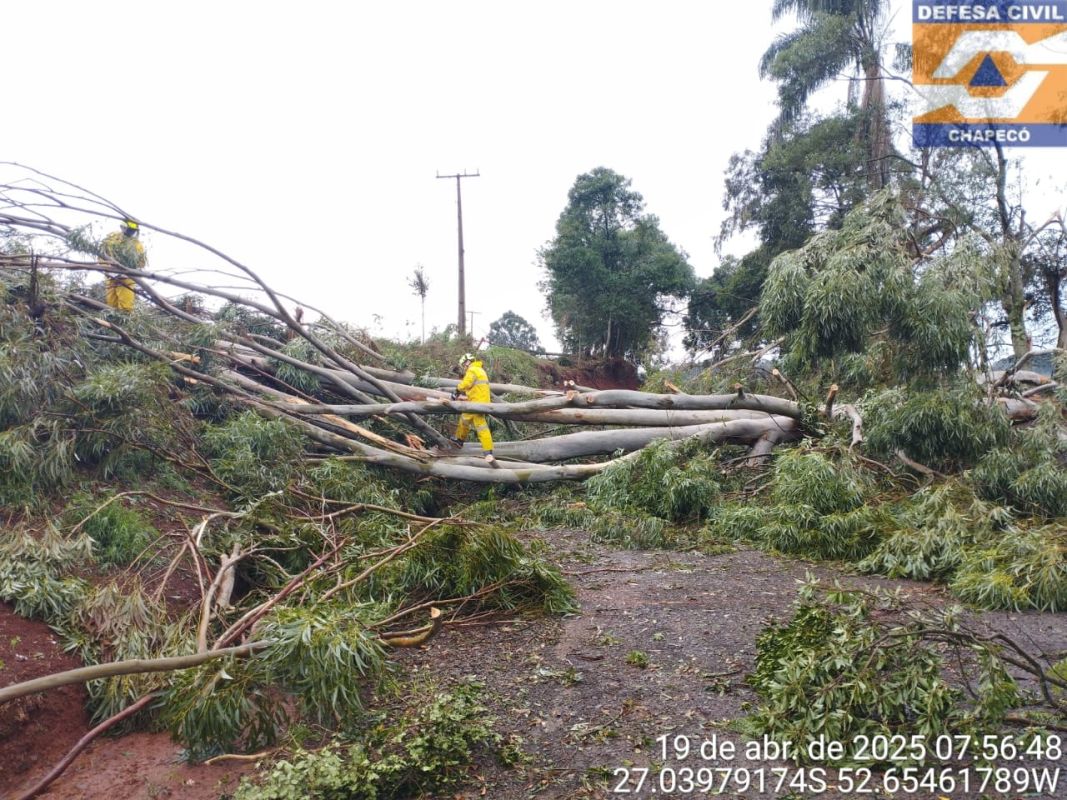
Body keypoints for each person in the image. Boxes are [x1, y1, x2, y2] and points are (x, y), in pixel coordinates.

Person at [451, 352, 496, 464]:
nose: (464, 367)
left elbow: (466, 383)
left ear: (468, 362)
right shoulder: (480, 370)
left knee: (480, 426)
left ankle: (488, 452)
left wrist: (457, 390)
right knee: (465, 419)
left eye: (464, 365)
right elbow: (475, 387)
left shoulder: (472, 370)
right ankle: (460, 440)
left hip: (477, 403)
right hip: (481, 402)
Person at [101, 219, 147, 311]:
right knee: (111, 305)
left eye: (133, 231)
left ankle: (123, 324)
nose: (131, 233)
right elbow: (102, 254)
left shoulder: (137, 244)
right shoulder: (112, 238)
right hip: (111, 276)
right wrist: (105, 268)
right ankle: (112, 322)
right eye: (129, 230)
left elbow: (141, 263)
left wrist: (129, 270)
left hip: (126, 279)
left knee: (125, 308)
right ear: (122, 227)